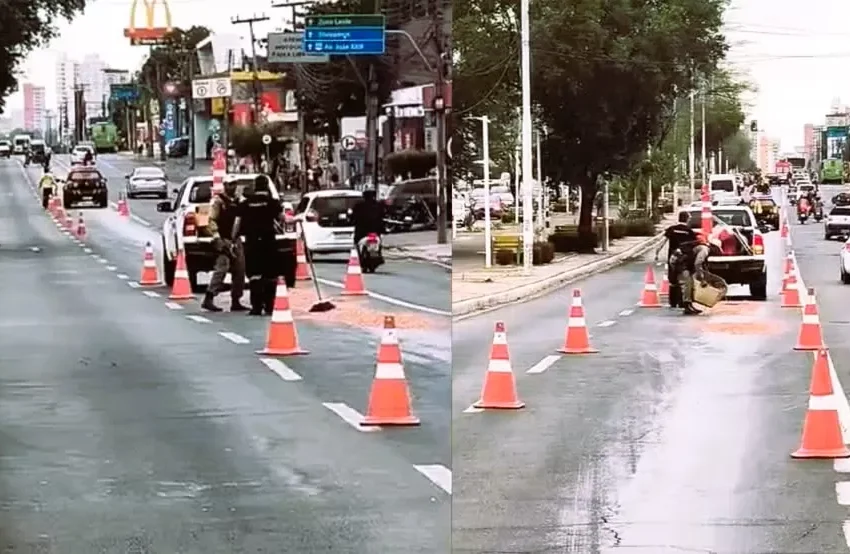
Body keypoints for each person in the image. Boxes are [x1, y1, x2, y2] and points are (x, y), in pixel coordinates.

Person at [232, 175, 283, 315]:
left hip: (252, 243)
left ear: (255, 187)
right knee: (270, 275)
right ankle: (269, 306)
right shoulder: (273, 203)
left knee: (254, 275)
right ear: (267, 186)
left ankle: (256, 306)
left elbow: (237, 223)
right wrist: (297, 219)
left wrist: (233, 238)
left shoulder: (246, 204)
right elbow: (282, 219)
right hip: (269, 242)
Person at [202, 180, 247, 312]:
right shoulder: (218, 202)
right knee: (222, 267)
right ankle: (209, 297)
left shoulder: (239, 201)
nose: (233, 187)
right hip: (223, 239)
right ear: (225, 186)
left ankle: (236, 300)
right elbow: (211, 220)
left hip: (236, 239)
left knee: (240, 269)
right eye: (230, 185)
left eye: (234, 185)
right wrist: (217, 237)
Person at [654, 210, 696, 308]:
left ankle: (672, 302)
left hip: (672, 258)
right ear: (687, 219)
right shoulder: (689, 231)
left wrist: (657, 252)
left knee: (673, 279)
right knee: (684, 280)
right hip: (684, 259)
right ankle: (681, 301)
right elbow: (693, 246)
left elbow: (662, 242)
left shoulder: (672, 229)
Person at [676, 231, 713, 315]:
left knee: (690, 285)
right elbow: (698, 263)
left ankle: (689, 306)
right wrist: (702, 279)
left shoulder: (697, 246)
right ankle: (686, 307)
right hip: (682, 266)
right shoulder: (705, 249)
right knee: (687, 285)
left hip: (684, 264)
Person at [351, 188, 386, 258]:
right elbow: (382, 217)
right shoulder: (379, 205)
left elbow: (353, 218)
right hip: (375, 232)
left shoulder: (358, 206)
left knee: (356, 243)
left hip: (362, 233)